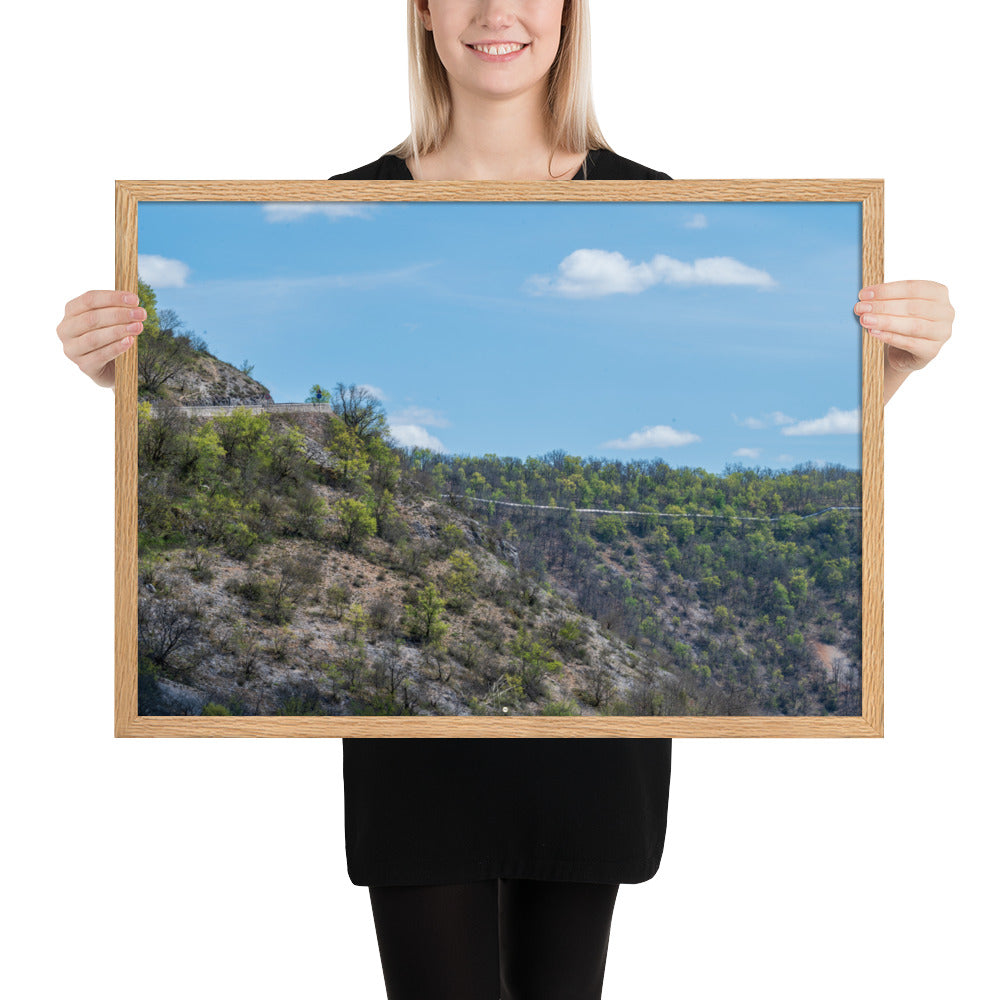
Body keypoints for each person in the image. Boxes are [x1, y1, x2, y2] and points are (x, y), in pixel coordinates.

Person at [56, 2, 954, 997]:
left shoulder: (648, 204)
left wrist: (896, 365)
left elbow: (806, 420)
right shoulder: (346, 208)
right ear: (425, 14)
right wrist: (126, 383)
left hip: (584, 752)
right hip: (415, 749)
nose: (497, 12)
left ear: (569, 14)